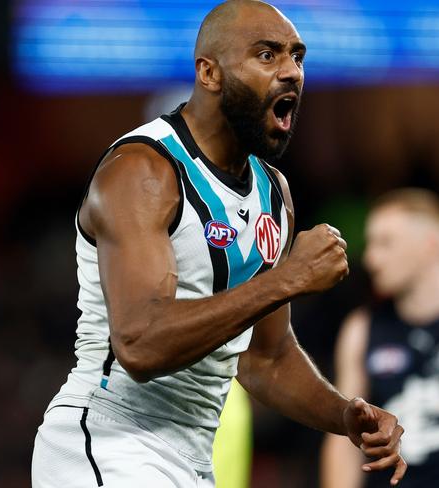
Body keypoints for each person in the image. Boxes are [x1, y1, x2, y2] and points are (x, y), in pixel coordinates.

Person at [31, 1, 407, 487]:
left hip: (189, 457)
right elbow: (140, 344)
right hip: (109, 439)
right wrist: (287, 278)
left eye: (298, 56)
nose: (291, 71)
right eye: (267, 55)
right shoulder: (144, 170)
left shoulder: (274, 193)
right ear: (209, 73)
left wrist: (344, 416)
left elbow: (263, 359)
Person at [321, 188, 439, 488]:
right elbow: (343, 441)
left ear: (430, 245)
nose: (370, 258)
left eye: (386, 243)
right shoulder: (361, 328)